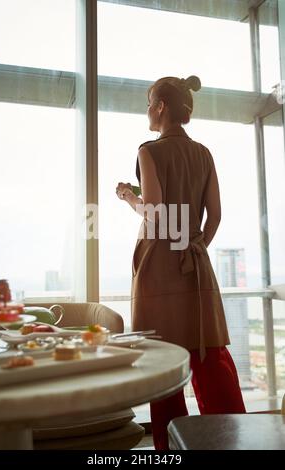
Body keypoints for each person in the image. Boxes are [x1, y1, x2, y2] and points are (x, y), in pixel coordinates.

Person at [116, 75, 246, 450]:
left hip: (159, 265)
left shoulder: (148, 151)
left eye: (148, 104)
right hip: (196, 260)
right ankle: (230, 440)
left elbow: (155, 214)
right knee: (208, 354)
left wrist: (128, 196)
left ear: (160, 107)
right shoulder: (204, 153)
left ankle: (169, 449)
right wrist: (194, 245)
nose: (147, 111)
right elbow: (215, 216)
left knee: (163, 362)